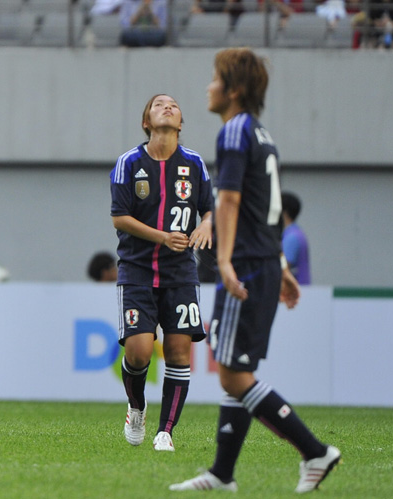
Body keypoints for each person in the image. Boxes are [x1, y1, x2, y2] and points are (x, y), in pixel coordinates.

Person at [170, 48, 340, 493]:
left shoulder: (232, 133)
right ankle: (222, 474)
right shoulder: (263, 135)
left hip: (244, 266)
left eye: (214, 78)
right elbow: (272, 209)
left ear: (234, 90)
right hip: (264, 263)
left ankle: (315, 451)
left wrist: (222, 261)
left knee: (232, 374)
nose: (207, 86)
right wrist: (282, 265)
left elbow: (228, 201)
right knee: (234, 367)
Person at [110, 94, 214, 452]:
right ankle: (136, 407)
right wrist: (161, 237)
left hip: (180, 272)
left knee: (179, 351)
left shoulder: (195, 164)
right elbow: (119, 217)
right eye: (158, 105)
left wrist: (206, 226)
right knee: (139, 352)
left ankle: (165, 431)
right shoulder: (128, 163)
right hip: (137, 271)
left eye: (173, 104)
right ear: (146, 122)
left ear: (181, 123)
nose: (167, 106)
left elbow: (209, 209)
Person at [281, 192, 310, 284]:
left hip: (295, 292)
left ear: (284, 212)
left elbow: (283, 269)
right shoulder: (297, 233)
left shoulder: (291, 237)